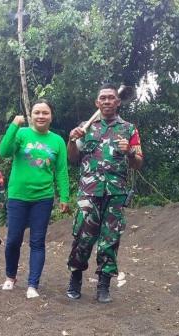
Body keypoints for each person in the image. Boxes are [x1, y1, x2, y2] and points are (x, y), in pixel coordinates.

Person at [65, 83, 143, 303]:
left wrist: (128, 152)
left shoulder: (129, 129)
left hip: (115, 194)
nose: (107, 101)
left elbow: (138, 164)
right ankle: (75, 278)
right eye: (103, 98)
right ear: (97, 103)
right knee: (82, 237)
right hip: (88, 193)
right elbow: (72, 158)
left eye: (111, 98)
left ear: (117, 102)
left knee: (110, 240)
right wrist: (71, 140)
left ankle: (103, 285)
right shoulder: (85, 127)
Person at [0, 99, 70, 299]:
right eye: (37, 112)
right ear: (31, 115)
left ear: (51, 117)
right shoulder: (21, 133)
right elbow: (4, 151)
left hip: (43, 197)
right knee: (13, 239)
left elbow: (62, 171)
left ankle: (33, 284)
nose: (41, 116)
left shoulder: (57, 141)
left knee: (37, 241)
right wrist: (14, 125)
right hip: (18, 196)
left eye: (45, 113)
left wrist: (64, 196)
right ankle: (10, 277)